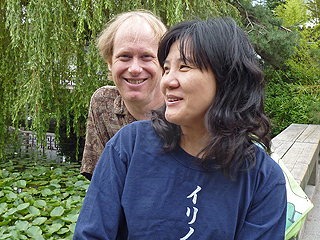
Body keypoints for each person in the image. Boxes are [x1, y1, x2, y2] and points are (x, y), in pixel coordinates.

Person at [74, 18, 287, 239]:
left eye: (184, 67)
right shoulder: (128, 145)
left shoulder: (263, 179)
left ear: (227, 79)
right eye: (166, 68)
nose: (167, 81)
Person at [80, 10, 167, 180]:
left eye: (146, 57)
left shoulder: (184, 106)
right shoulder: (103, 104)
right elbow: (102, 182)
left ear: (163, 63)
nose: (134, 69)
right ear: (110, 63)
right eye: (124, 56)